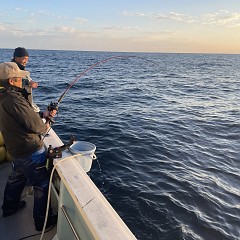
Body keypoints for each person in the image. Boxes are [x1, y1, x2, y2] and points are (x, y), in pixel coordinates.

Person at [0, 62, 56, 231]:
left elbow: (19, 117)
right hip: (30, 150)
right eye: (19, 79)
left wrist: (42, 114)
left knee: (17, 177)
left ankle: (9, 208)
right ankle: (42, 222)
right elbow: (36, 126)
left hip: (15, 149)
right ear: (11, 81)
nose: (22, 81)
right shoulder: (14, 100)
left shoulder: (3, 97)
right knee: (42, 184)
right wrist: (46, 123)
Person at [11, 47, 39, 111]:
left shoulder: (21, 69)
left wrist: (31, 81)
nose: (26, 61)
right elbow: (12, 81)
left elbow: (27, 78)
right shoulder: (11, 69)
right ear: (16, 58)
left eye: (27, 59)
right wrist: (28, 83)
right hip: (15, 101)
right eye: (24, 59)